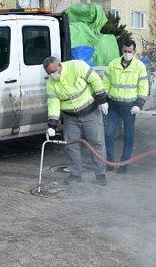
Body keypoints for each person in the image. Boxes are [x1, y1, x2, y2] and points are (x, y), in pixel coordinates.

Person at [43, 56, 109, 185]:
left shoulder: (77, 66)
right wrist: (52, 125)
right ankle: (75, 174)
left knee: (97, 143)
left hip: (90, 112)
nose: (52, 76)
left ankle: (100, 174)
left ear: (59, 66)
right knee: (71, 145)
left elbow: (95, 79)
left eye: (53, 72)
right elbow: (53, 103)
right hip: (70, 118)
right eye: (49, 73)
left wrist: (102, 100)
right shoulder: (51, 84)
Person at [103, 39, 149, 173]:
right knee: (108, 134)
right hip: (114, 106)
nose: (127, 53)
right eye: (125, 51)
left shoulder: (139, 66)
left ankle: (124, 164)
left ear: (134, 51)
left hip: (130, 107)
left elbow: (144, 86)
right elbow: (105, 82)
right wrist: (103, 100)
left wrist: (139, 104)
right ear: (121, 51)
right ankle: (109, 163)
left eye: (130, 51)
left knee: (129, 136)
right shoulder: (113, 65)